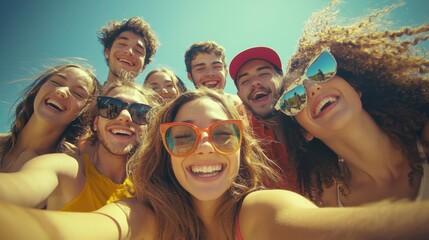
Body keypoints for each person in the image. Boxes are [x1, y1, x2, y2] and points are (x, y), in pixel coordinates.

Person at [1, 88, 429, 240]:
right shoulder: (144, 216)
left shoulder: (264, 209)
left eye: (223, 133)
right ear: (165, 149)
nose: (204, 147)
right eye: (183, 135)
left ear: (241, 145)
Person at [273, 1, 429, 206]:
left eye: (321, 70)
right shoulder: (326, 205)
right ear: (304, 132)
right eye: (293, 98)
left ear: (356, 88)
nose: (312, 89)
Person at [0, 79, 157, 211]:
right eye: (110, 107)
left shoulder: (149, 192)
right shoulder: (67, 170)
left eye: (140, 112)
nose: (124, 116)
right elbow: (21, 186)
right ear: (96, 123)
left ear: (147, 128)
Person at [0, 64, 100, 173]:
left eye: (77, 94)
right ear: (38, 89)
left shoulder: (66, 168)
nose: (61, 91)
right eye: (56, 82)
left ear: (82, 113)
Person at [229, 46, 297, 191]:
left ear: (282, 79)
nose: (255, 83)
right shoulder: (244, 139)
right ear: (240, 95)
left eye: (264, 74)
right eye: (245, 81)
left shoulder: (310, 118)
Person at [98, 16, 160, 85]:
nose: (129, 51)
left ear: (143, 67)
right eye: (122, 44)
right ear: (107, 52)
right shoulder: (87, 94)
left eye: (138, 51)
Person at [184, 40, 242, 106]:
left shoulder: (243, 105)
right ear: (190, 77)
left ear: (226, 72)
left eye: (216, 66)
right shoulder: (185, 111)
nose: (210, 73)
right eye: (200, 69)